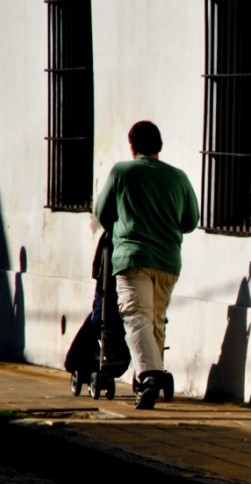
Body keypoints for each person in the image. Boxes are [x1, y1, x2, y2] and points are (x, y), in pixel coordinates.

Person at [94, 121, 199, 409]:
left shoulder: (122, 172)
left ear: (132, 146)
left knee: (136, 316)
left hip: (132, 257)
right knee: (156, 319)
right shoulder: (179, 178)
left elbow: (102, 212)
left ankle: (150, 375)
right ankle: (152, 376)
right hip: (168, 261)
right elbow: (190, 222)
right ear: (159, 146)